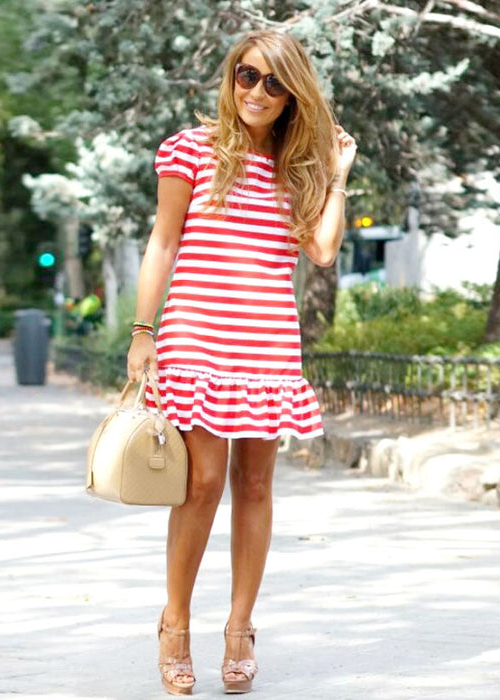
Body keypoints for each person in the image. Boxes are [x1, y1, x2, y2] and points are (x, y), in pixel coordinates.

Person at [126, 29, 356, 696]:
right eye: (247, 76)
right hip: (197, 337)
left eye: (274, 83)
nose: (257, 91)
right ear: (233, 77)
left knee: (255, 487)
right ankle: (174, 624)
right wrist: (144, 333)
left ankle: (240, 628)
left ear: (294, 95)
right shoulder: (191, 149)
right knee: (201, 485)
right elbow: (163, 243)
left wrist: (336, 177)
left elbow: (321, 251)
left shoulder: (299, 166)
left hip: (267, 344)